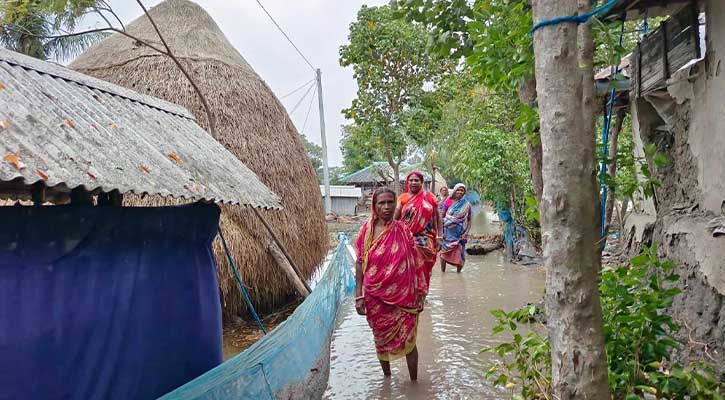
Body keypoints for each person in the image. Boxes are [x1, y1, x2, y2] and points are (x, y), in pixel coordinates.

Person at [354, 188, 425, 380]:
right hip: (375, 297)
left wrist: (421, 293)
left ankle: (414, 382)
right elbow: (360, 263)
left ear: (396, 204)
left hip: (405, 298)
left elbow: (416, 262)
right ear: (374, 206)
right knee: (380, 339)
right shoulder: (366, 232)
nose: (386, 207)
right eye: (381, 203)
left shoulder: (403, 230)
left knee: (410, 341)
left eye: (390, 202)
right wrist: (358, 294)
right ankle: (387, 379)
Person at [395, 171, 441, 292]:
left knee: (425, 265)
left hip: (426, 238)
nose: (414, 182)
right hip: (406, 238)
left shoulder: (430, 197)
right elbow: (396, 218)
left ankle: (422, 291)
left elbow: (438, 216)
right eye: (411, 180)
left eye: (416, 180)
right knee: (406, 266)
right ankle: (409, 292)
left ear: (421, 182)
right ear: (407, 182)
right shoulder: (402, 198)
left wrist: (440, 236)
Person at [439, 183, 472, 273]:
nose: (460, 192)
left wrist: (466, 233)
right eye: (458, 190)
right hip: (447, 232)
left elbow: (469, 220)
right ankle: (443, 273)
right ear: (454, 190)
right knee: (444, 252)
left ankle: (458, 273)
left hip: (460, 232)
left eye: (462, 190)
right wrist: (440, 232)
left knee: (460, 253)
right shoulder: (448, 201)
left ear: (464, 192)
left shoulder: (467, 204)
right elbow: (442, 217)